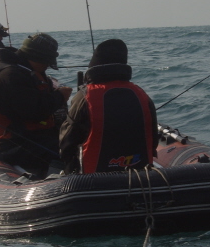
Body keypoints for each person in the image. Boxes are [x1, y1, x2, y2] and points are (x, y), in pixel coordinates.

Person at [59, 39, 158, 174]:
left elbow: (67, 142)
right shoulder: (142, 95)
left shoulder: (84, 97)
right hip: (140, 175)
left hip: (94, 179)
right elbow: (153, 140)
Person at [0, 33, 72, 178]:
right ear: (36, 58)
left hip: (33, 138)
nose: (46, 66)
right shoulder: (11, 76)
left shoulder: (24, 71)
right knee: (69, 149)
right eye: (46, 62)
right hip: (14, 145)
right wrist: (60, 96)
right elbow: (34, 112)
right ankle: (61, 181)